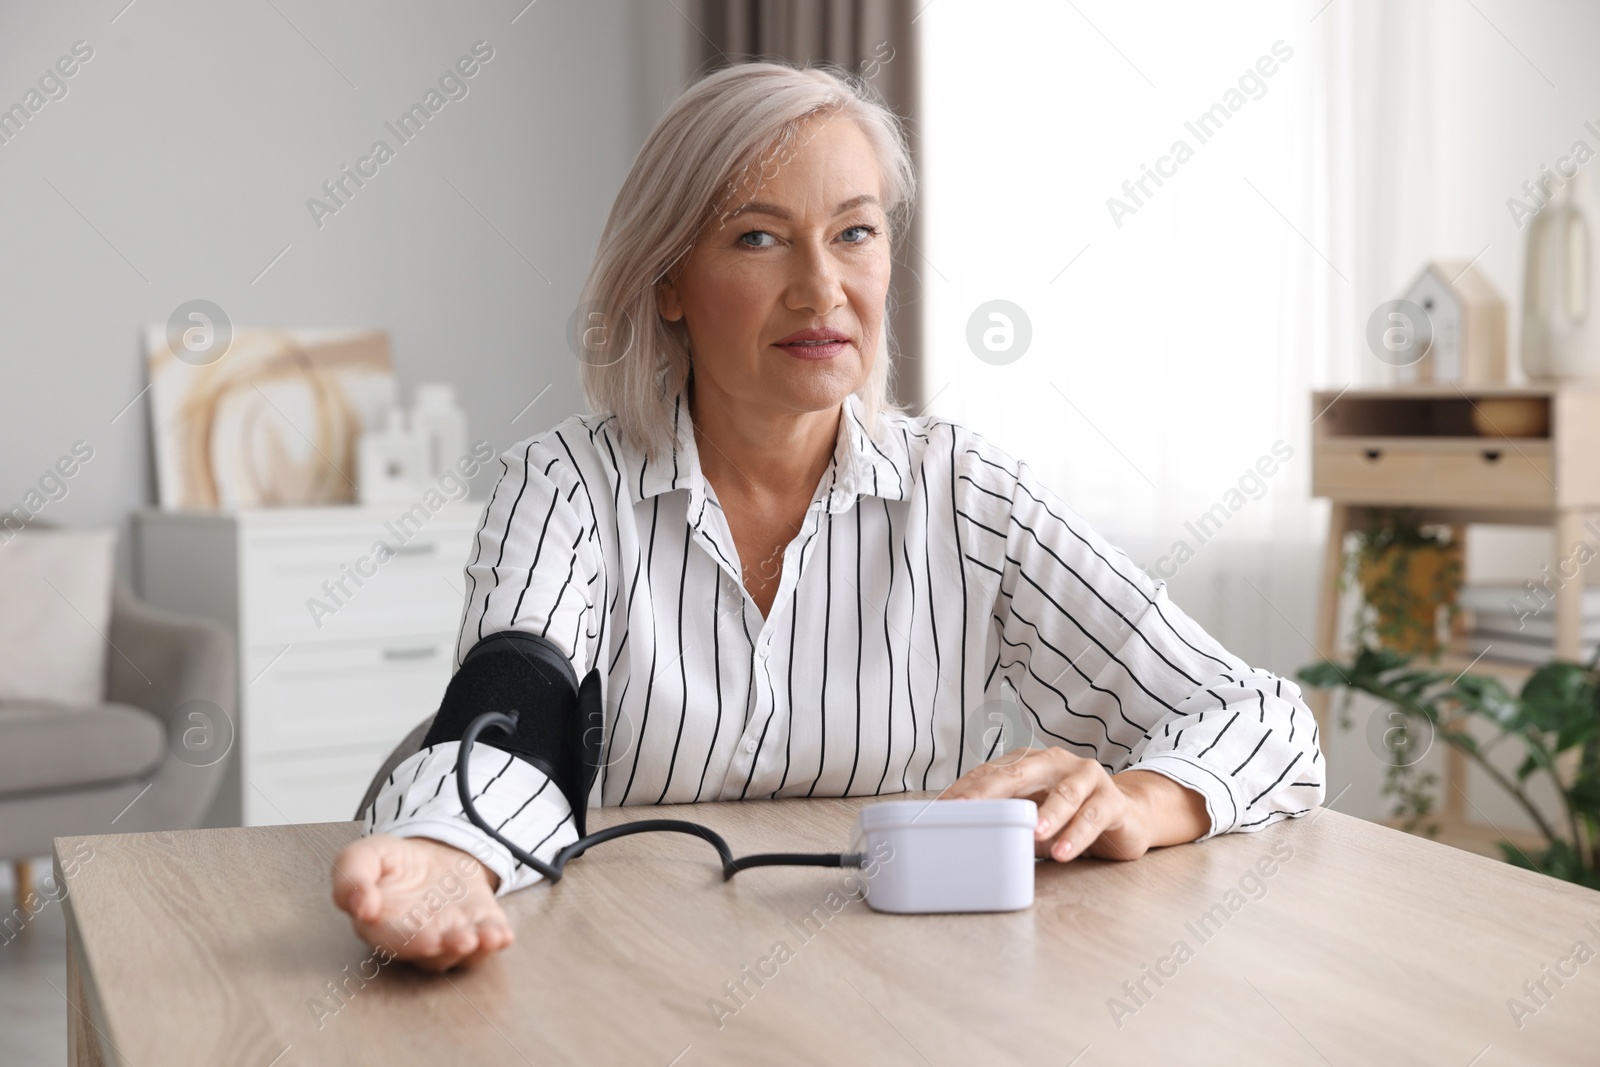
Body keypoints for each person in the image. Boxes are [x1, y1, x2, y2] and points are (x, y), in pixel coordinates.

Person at [330, 61, 1325, 971]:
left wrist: (1139, 802)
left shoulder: (967, 492)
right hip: (624, 972)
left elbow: (1260, 718)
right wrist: (446, 849)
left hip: (894, 984)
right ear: (666, 282)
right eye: (757, 236)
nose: (822, 289)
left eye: (853, 232)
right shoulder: (562, 486)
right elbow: (517, 704)